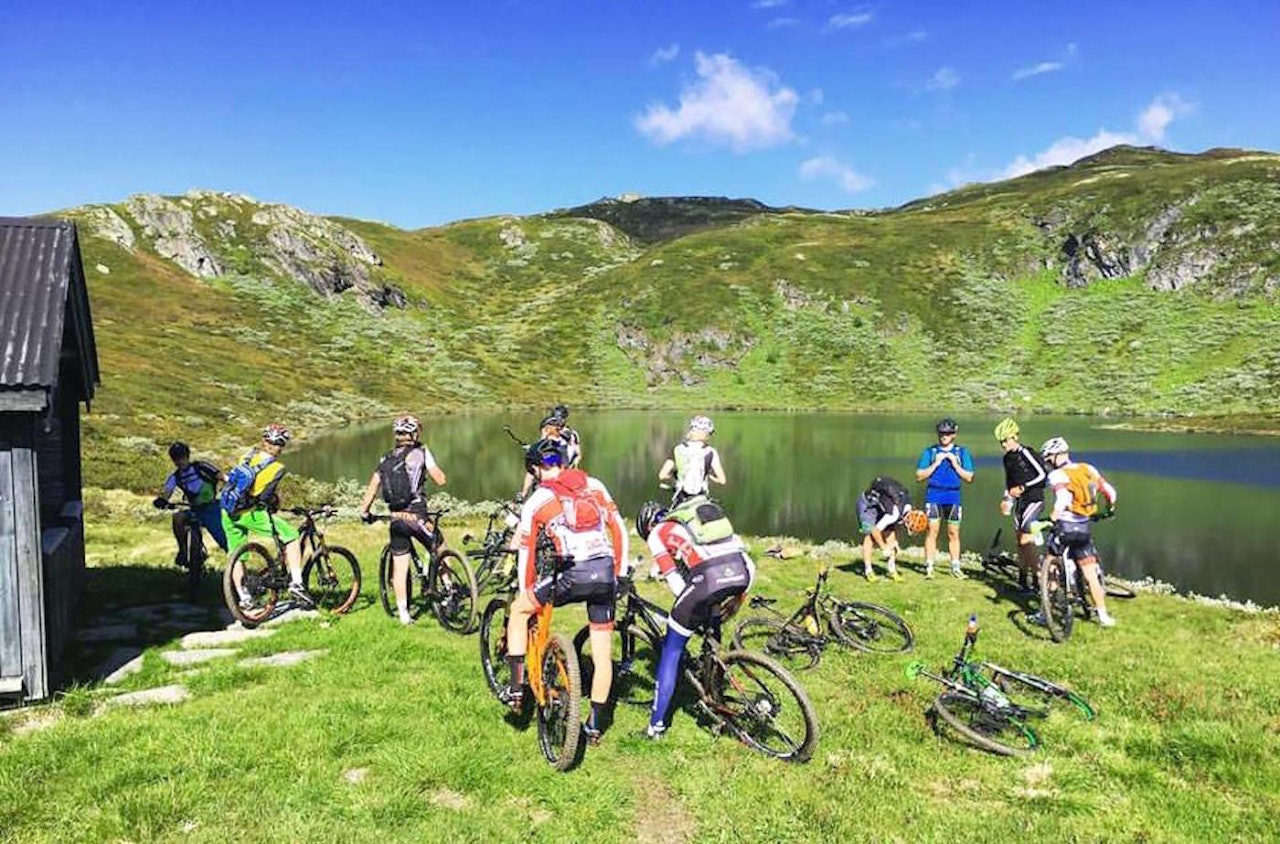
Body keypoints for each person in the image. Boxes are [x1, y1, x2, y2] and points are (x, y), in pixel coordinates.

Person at [504, 438, 628, 745]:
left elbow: (527, 552)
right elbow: (620, 529)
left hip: (571, 575)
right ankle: (595, 725)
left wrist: (526, 589)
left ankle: (517, 689)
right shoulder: (595, 485)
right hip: (605, 574)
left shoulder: (538, 499)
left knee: (519, 611)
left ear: (535, 470)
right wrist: (620, 574)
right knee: (602, 656)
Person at [635, 495, 754, 739]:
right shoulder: (693, 522)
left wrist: (688, 610)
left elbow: (677, 584)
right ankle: (715, 684)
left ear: (647, 528)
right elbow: (744, 560)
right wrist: (736, 600)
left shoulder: (658, 533)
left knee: (672, 649)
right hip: (743, 569)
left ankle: (655, 727)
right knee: (711, 619)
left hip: (709, 578)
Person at [358, 415, 448, 625]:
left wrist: (364, 511)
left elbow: (373, 486)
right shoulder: (422, 452)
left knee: (400, 567)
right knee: (440, 549)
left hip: (396, 518)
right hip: (417, 516)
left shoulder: (385, 458)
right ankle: (450, 589)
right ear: (414, 434)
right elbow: (441, 480)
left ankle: (404, 615)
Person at [220, 423, 314, 609]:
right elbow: (265, 497)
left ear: (264, 441)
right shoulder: (277, 468)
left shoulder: (246, 457)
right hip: (250, 513)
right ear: (281, 446)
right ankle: (297, 583)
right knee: (292, 537)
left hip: (227, 511)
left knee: (237, 555)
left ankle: (244, 598)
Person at [1037, 436, 1118, 627]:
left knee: (1051, 567)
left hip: (1065, 527)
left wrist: (1053, 517)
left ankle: (1043, 613)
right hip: (1083, 529)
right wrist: (1109, 509)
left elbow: (1063, 497)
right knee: (1090, 573)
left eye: (1048, 459)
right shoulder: (1088, 469)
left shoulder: (1057, 475)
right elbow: (1110, 492)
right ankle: (1103, 616)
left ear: (1056, 457)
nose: (1048, 463)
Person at [915, 418, 975, 579]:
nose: (944, 436)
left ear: (954, 434)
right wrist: (935, 464)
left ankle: (955, 566)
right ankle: (929, 566)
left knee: (953, 532)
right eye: (941, 433)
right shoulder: (930, 452)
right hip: (934, 494)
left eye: (948, 433)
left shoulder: (962, 452)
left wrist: (955, 465)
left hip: (953, 496)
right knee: (932, 530)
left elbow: (969, 477)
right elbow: (919, 476)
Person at [153, 441, 228, 566]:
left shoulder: (202, 467)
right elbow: (167, 491)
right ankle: (183, 550)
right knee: (178, 518)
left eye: (181, 457)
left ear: (187, 456)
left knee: (224, 540)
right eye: (176, 458)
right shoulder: (176, 477)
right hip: (194, 509)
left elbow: (223, 477)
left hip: (212, 507)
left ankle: (236, 564)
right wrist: (163, 501)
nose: (179, 461)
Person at [995, 418, 1048, 593]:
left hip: (1034, 498)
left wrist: (1024, 487)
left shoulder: (1026, 453)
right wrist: (1007, 499)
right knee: (1019, 541)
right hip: (1019, 502)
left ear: (1015, 437)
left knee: (1026, 539)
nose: (1004, 445)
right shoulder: (1007, 459)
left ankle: (1038, 578)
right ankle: (1023, 578)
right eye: (1001, 442)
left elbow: (1042, 475)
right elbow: (1009, 483)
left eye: (1006, 440)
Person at [856, 476, 926, 582]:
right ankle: (868, 571)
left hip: (883, 507)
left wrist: (894, 542)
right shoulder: (894, 513)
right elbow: (875, 530)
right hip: (868, 504)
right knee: (869, 537)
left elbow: (897, 524)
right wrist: (884, 547)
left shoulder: (908, 507)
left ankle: (892, 569)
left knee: (892, 539)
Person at [658, 415, 726, 506]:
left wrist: (674, 475)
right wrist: (711, 477)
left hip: (681, 498)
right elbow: (722, 480)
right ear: (706, 434)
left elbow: (662, 475)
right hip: (701, 499)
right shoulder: (711, 452)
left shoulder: (677, 449)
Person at [518, 413, 579, 499]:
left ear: (546, 430)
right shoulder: (563, 444)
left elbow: (550, 463)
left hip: (556, 488)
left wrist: (534, 452)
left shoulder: (558, 448)